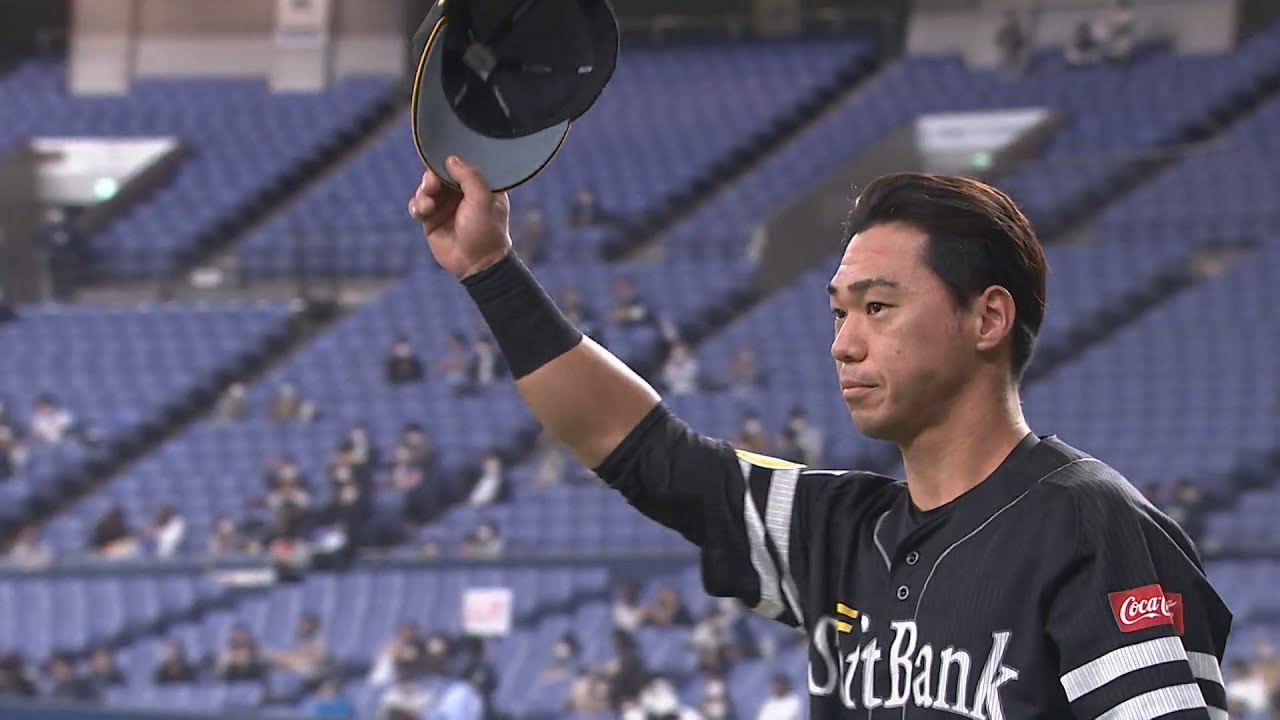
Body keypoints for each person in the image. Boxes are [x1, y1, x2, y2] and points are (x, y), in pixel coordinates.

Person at [409, 159, 1232, 717]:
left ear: (987, 318)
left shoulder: (1085, 524)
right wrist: (490, 270)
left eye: (878, 307)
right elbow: (642, 452)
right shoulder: (839, 531)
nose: (844, 343)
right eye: (839, 313)